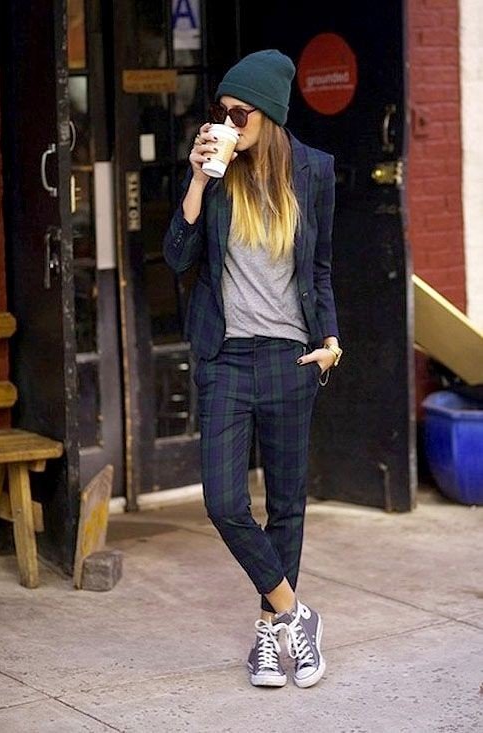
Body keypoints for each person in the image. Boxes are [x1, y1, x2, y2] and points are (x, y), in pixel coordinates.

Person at [163, 49, 342, 689]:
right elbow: (176, 258)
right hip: (227, 357)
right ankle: (296, 615)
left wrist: (331, 340)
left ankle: (269, 634)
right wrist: (197, 180)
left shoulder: (314, 171)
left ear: (268, 115)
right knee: (224, 502)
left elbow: (320, 268)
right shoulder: (216, 170)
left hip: (292, 356)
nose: (227, 122)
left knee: (286, 505)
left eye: (240, 113)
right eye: (222, 110)